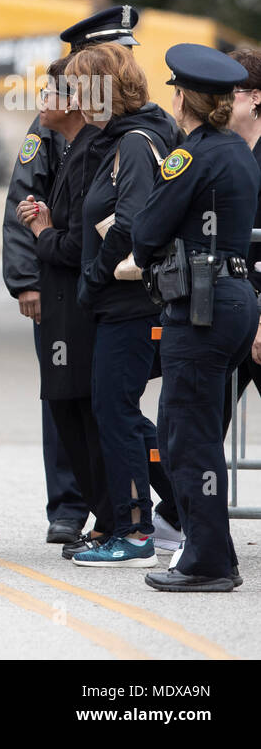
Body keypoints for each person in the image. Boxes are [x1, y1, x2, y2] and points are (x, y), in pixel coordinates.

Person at [132, 44, 258, 591]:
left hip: (201, 304)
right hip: (233, 296)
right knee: (199, 428)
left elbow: (146, 233)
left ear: (183, 97)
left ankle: (207, 560)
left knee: (188, 434)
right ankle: (213, 554)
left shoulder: (192, 154)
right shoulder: (237, 151)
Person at [71, 42, 182, 567]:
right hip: (125, 301)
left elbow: (131, 223)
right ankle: (186, 508)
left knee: (115, 410)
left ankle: (137, 533)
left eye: (78, 86)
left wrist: (93, 279)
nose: (72, 97)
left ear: (103, 89)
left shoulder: (134, 141)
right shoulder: (123, 137)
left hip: (129, 301)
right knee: (119, 410)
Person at [16, 57, 114, 559]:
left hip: (80, 304)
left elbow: (76, 246)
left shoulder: (92, 152)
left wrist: (42, 231)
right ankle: (106, 514)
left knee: (91, 412)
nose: (40, 104)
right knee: (67, 406)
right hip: (63, 300)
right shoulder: (73, 148)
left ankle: (124, 516)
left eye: (50, 96)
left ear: (75, 100)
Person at [225, 48, 261, 417]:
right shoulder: (228, 150)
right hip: (232, 308)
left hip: (258, 308)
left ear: (255, 97)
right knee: (198, 424)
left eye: (229, 91)